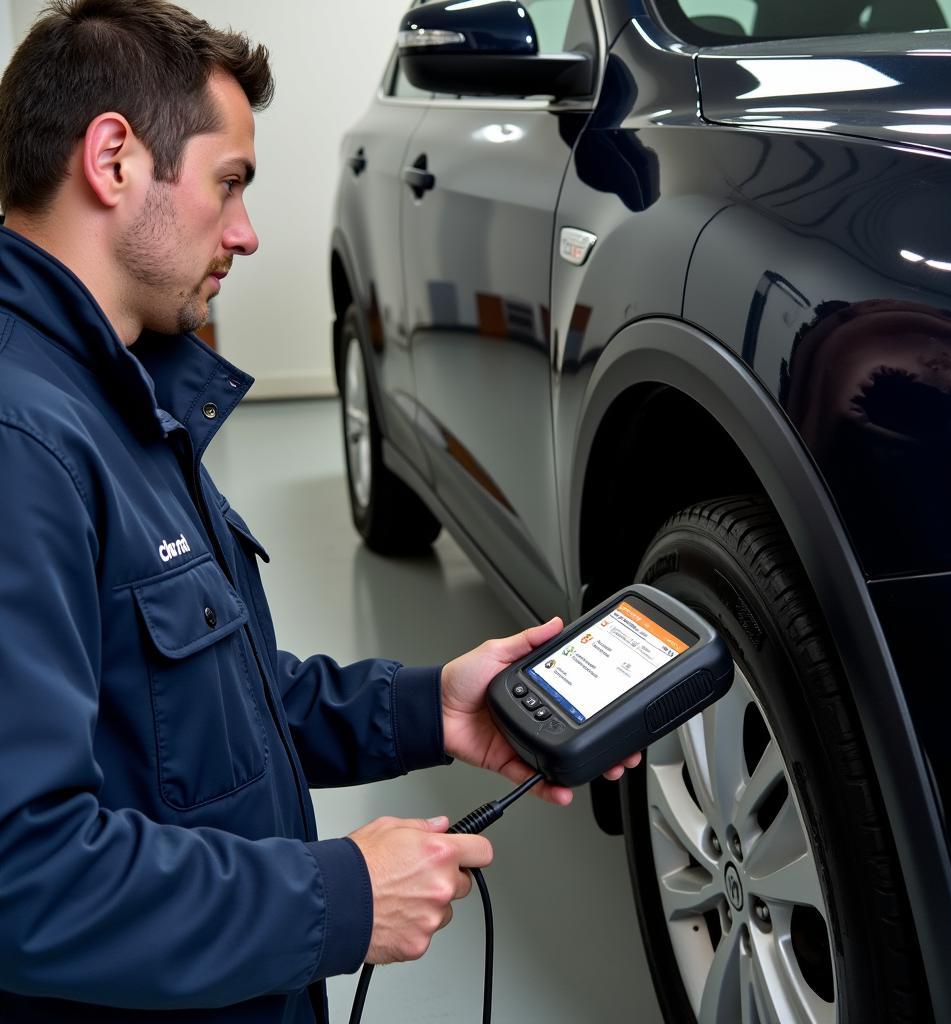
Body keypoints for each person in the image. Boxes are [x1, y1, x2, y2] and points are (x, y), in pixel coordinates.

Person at [0, 3, 639, 1021]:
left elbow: (195, 714)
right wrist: (337, 893)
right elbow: (22, 881)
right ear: (113, 160)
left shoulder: (117, 400)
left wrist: (434, 705)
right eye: (230, 184)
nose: (247, 232)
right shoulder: (24, 444)